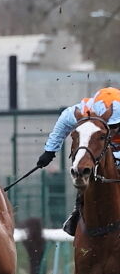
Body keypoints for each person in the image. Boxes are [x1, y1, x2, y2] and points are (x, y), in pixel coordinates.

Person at [35, 87, 120, 236]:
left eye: (114, 126)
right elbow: (63, 123)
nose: (111, 130)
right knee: (84, 169)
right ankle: (78, 209)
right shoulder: (82, 111)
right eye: (108, 125)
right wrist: (50, 151)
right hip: (99, 145)